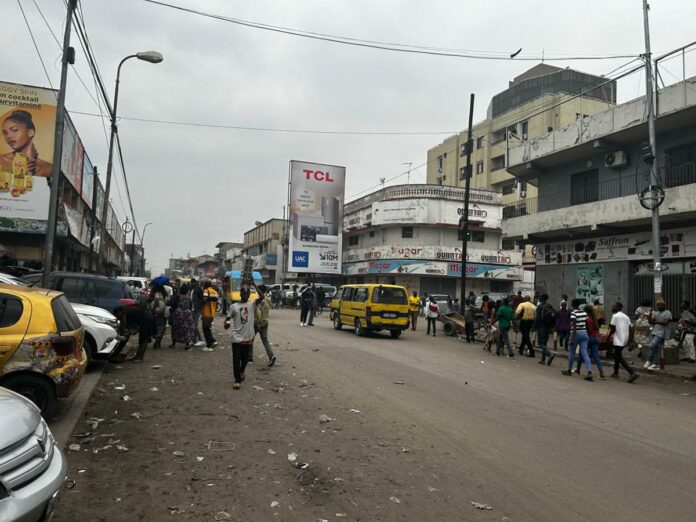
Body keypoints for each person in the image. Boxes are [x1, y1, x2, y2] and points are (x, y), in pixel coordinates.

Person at [224, 286, 265, 390]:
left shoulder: (252, 304)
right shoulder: (234, 306)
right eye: (244, 293)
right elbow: (227, 318)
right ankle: (237, 380)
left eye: (248, 293)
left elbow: (262, 296)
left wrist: (255, 285)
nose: (246, 295)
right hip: (236, 337)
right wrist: (226, 324)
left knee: (245, 359)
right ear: (240, 294)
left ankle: (242, 371)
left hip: (248, 337)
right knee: (236, 359)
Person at [0, 110, 53, 177]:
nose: (8, 136)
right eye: (5, 133)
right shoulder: (2, 161)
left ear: (30, 132)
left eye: (15, 130)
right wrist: (20, 173)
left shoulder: (48, 168)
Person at [562, 298, 594, 381]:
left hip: (576, 334)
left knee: (572, 352)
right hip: (584, 334)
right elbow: (587, 324)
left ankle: (569, 370)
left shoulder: (573, 313)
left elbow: (574, 326)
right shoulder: (584, 313)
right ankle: (589, 372)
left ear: (573, 305)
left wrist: (572, 338)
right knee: (585, 353)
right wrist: (589, 333)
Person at [608, 302, 640, 383]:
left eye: (613, 306)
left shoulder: (615, 316)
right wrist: (631, 339)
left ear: (618, 307)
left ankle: (632, 372)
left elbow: (612, 328)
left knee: (618, 356)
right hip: (625, 339)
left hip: (618, 338)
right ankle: (615, 372)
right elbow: (631, 328)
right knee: (617, 355)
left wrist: (608, 337)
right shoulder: (626, 317)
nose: (612, 307)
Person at [253, 285, 277, 367]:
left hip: (257, 323)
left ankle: (249, 357)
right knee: (265, 341)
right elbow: (272, 306)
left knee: (250, 339)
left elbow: (258, 313)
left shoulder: (258, 300)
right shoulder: (267, 299)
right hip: (265, 322)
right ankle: (271, 356)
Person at [647, 298, 672, 371]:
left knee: (653, 345)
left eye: (662, 305)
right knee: (653, 347)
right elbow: (651, 322)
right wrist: (649, 315)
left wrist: (656, 322)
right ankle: (654, 363)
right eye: (658, 305)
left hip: (662, 333)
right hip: (654, 331)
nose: (660, 306)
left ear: (664, 306)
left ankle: (650, 360)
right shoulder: (656, 313)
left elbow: (665, 323)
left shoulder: (668, 312)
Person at [582, 304, 606, 379]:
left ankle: (579, 370)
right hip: (595, 338)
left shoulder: (588, 319)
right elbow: (597, 330)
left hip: (590, 338)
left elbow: (588, 330)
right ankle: (601, 373)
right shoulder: (594, 318)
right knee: (596, 357)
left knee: (582, 353)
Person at [170, 283, 195, 350]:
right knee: (187, 329)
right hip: (187, 314)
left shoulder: (177, 297)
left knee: (175, 328)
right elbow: (190, 307)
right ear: (187, 290)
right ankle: (187, 344)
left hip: (178, 314)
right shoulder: (189, 298)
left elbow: (173, 305)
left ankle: (173, 343)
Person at [537, 294, 556, 365]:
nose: (539, 298)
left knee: (540, 343)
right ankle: (543, 359)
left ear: (542, 298)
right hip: (548, 326)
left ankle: (550, 354)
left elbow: (538, 318)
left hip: (541, 326)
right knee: (544, 343)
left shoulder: (540, 307)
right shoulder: (550, 306)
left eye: (540, 297)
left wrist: (534, 326)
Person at [148, 282, 168, 349]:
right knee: (161, 327)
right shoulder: (164, 292)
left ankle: (153, 337)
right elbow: (167, 300)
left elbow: (149, 300)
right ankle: (158, 342)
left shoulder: (153, 292)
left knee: (153, 326)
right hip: (162, 313)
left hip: (153, 312)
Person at [201, 280, 219, 350]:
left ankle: (210, 344)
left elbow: (204, 299)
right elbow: (217, 303)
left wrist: (200, 302)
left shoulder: (206, 290)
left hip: (206, 312)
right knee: (207, 328)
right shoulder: (215, 292)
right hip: (212, 313)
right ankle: (212, 341)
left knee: (205, 328)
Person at [190, 279, 205, 347]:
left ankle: (200, 340)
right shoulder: (192, 290)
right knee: (193, 325)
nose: (191, 284)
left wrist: (198, 307)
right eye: (191, 283)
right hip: (193, 309)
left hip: (197, 310)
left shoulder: (198, 289)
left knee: (194, 325)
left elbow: (202, 299)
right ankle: (194, 340)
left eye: (192, 283)